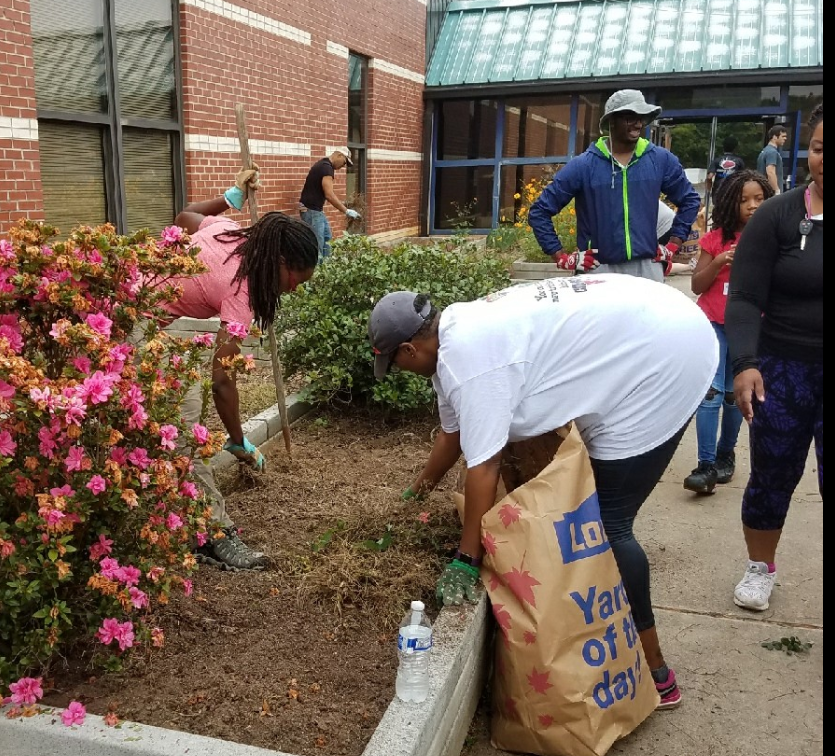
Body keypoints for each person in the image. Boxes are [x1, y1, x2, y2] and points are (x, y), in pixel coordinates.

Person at [368, 275, 719, 709]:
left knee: (607, 527)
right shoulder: (452, 340)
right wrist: (416, 495)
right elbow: (452, 434)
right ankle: (601, 640)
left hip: (666, 356)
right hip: (650, 323)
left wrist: (466, 559)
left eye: (395, 364)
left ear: (409, 350)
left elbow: (485, 466)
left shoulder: (471, 364)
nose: (399, 371)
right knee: (591, 514)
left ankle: (657, 673)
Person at [165, 170, 320, 570]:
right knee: (183, 428)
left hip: (130, 307)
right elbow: (222, 380)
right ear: (280, 262)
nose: (293, 289)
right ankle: (212, 535)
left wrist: (228, 198)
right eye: (295, 280)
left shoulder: (228, 231)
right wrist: (238, 441)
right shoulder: (243, 290)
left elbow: (184, 217)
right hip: (125, 322)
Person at [725, 103, 823, 611]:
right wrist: (745, 363)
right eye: (820, 148)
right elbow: (743, 297)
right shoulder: (777, 215)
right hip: (782, 370)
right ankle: (760, 567)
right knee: (772, 474)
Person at [528, 89, 700, 282]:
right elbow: (539, 212)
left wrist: (673, 245)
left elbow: (690, 200)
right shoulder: (584, 166)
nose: (638, 124)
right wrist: (561, 257)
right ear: (611, 121)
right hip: (598, 270)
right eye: (630, 118)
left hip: (647, 268)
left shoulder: (660, 160)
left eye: (641, 118)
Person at [683, 170, 774, 495]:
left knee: (736, 395)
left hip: (747, 328)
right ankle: (705, 464)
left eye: (758, 199)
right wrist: (719, 260)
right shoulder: (715, 239)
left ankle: (726, 455)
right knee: (711, 393)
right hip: (713, 324)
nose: (752, 205)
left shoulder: (771, 238)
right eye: (744, 200)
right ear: (729, 203)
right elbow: (697, 285)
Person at [298, 147, 361, 260]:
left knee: (327, 239)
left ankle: (326, 268)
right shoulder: (326, 168)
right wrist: (346, 211)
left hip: (316, 210)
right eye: (344, 162)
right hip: (311, 211)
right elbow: (329, 195)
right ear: (339, 155)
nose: (343, 166)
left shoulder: (324, 165)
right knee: (317, 246)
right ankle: (317, 270)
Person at [705, 135, 746, 204]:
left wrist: (709, 190)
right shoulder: (739, 161)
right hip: (733, 191)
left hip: (718, 192)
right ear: (735, 148)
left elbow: (709, 177)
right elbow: (744, 178)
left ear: (723, 147)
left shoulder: (717, 160)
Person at [756, 125, 789, 195]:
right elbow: (770, 172)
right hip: (770, 193)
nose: (785, 138)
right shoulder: (772, 152)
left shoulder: (765, 151)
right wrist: (776, 190)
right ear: (774, 137)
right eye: (783, 136)